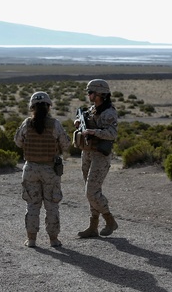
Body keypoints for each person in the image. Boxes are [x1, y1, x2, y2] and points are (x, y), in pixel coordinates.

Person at [14, 91, 71, 248]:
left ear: (32, 107)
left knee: (32, 205)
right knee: (51, 205)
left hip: (30, 168)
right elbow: (66, 144)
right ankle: (54, 239)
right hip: (50, 170)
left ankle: (31, 239)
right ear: (48, 107)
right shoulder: (55, 124)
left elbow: (18, 142)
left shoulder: (26, 124)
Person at [74, 79, 119, 238]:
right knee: (91, 192)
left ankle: (110, 220)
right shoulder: (93, 110)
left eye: (91, 92)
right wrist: (80, 124)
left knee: (91, 192)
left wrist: (95, 132)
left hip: (100, 155)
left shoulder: (109, 112)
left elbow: (112, 133)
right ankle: (93, 226)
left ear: (100, 93)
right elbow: (86, 127)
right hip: (87, 153)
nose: (89, 95)